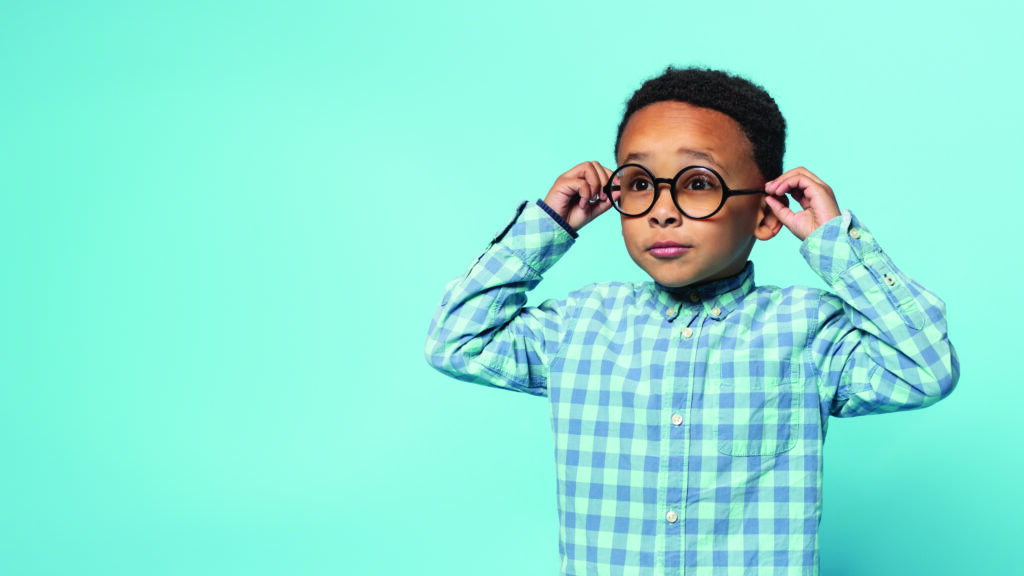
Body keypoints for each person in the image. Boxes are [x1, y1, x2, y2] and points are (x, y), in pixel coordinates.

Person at [423, 66, 958, 575]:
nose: (662, 209)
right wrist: (545, 229)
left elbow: (924, 370)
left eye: (698, 183)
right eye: (638, 183)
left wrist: (837, 244)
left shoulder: (807, 331)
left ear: (766, 213)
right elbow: (456, 340)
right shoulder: (580, 324)